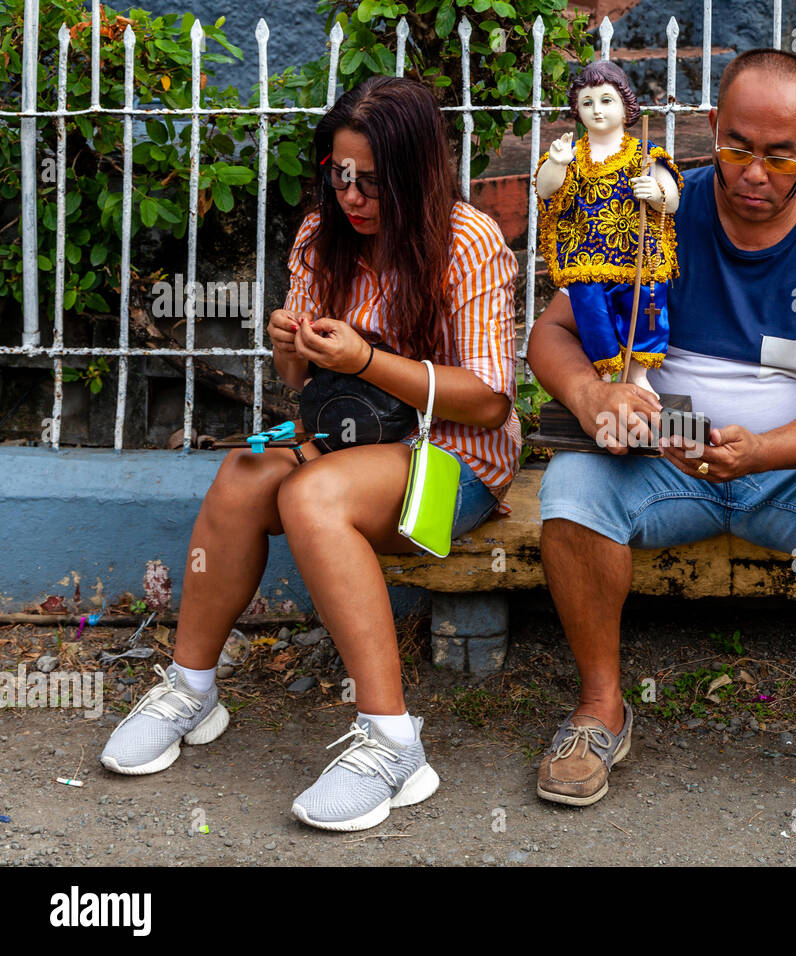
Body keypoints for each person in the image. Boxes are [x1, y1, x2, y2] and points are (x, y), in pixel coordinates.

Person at [98, 76, 521, 832]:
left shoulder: (466, 241)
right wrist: (289, 347)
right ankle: (192, 690)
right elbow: (299, 382)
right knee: (242, 476)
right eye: (340, 174)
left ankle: (392, 741)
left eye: (372, 181)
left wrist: (364, 360)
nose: (353, 197)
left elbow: (489, 399)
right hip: (348, 439)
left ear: (419, 170)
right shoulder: (318, 236)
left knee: (311, 495)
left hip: (449, 462)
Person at [527, 49, 796, 831]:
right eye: (738, 146)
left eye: (780, 155)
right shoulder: (651, 207)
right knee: (571, 495)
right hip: (660, 457)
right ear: (710, 128)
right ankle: (600, 709)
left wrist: (765, 451)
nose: (754, 172)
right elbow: (552, 334)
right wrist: (594, 394)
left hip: (792, 466)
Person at [534, 60, 683, 394]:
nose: (597, 110)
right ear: (577, 109)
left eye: (606, 100)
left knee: (644, 316)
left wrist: (655, 193)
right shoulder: (570, 154)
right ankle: (601, 379)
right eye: (587, 103)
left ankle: (638, 377)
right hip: (587, 259)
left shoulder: (645, 154)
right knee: (593, 319)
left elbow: (671, 200)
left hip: (637, 259)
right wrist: (557, 164)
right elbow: (546, 190)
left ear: (624, 104)